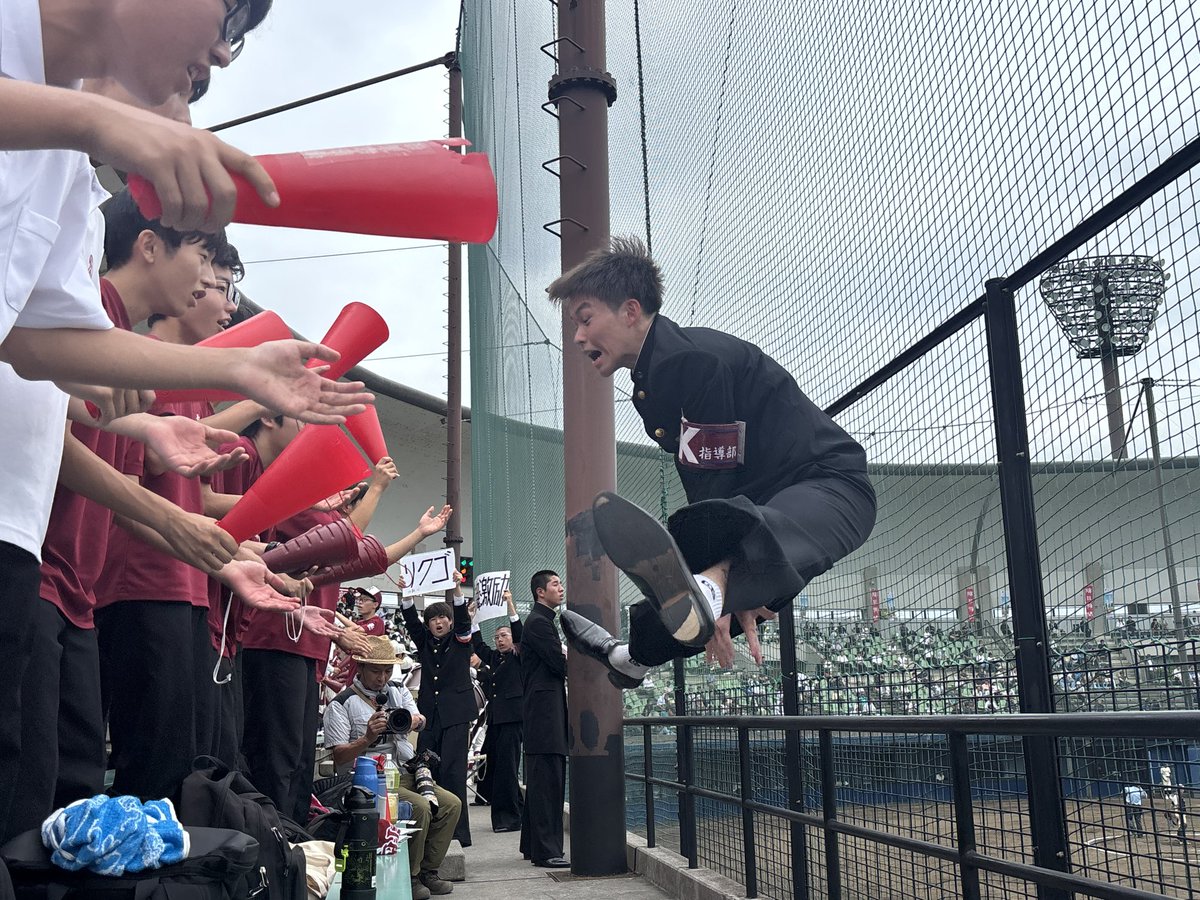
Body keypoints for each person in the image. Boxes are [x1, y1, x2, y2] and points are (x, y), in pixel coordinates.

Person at [548, 237, 876, 685]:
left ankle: (711, 590)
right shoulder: (655, 380)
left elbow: (715, 479)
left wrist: (718, 576)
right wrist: (723, 575)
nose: (578, 336)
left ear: (629, 310)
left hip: (832, 487)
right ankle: (632, 656)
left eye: (585, 319)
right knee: (711, 573)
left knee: (722, 561)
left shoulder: (691, 361)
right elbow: (707, 479)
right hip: (759, 505)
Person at [323, 636, 459, 900]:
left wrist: (408, 720)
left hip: (405, 771)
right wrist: (367, 739)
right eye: (376, 670)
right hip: (368, 780)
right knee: (419, 808)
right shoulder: (342, 703)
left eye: (387, 670)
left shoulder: (399, 689)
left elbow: (420, 720)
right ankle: (411, 876)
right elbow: (339, 757)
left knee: (451, 804)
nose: (382, 677)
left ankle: (429, 870)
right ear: (360, 668)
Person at [401, 588, 477, 847]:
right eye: (433, 619)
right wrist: (407, 594)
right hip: (430, 716)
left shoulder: (461, 640)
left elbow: (464, 621)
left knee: (453, 773)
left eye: (443, 618)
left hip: (456, 716)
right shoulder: (424, 642)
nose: (439, 622)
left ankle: (458, 833)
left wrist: (457, 590)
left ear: (450, 620)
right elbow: (411, 622)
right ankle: (430, 828)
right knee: (425, 771)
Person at [519, 571, 569, 868]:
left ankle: (532, 845)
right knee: (548, 782)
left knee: (541, 781)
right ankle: (547, 850)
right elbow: (559, 664)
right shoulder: (539, 623)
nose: (561, 589)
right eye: (555, 584)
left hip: (542, 713)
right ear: (540, 592)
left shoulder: (541, 622)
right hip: (545, 715)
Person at [473, 590, 524, 832]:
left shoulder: (519, 657)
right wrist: (472, 618)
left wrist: (510, 604)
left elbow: (521, 634)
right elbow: (478, 645)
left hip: (513, 720)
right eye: (497, 636)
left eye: (504, 635)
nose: (499, 640)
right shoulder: (496, 658)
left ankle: (509, 818)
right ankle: (517, 813)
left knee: (507, 768)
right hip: (496, 720)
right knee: (498, 767)